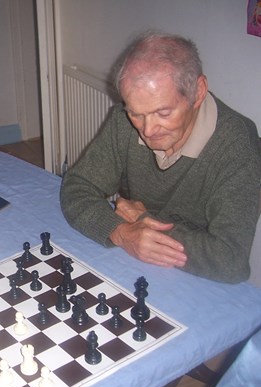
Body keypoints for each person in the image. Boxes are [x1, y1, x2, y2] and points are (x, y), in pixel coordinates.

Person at [60, 31, 261, 283]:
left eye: (163, 113)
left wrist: (143, 221)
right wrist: (122, 232)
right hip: (136, 262)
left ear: (197, 92)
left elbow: (230, 260)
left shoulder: (236, 143)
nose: (147, 130)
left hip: (196, 279)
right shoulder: (124, 120)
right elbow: (77, 187)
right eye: (136, 114)